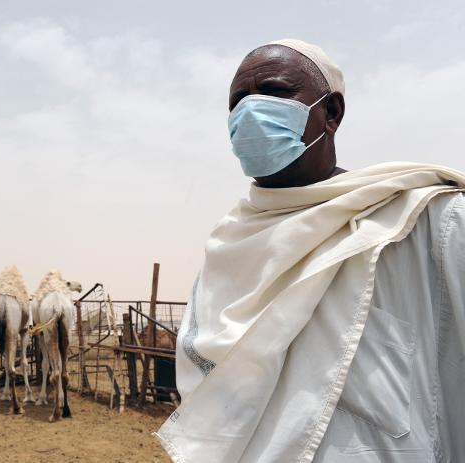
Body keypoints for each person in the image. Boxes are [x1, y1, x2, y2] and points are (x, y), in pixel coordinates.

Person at [155, 39, 465, 462]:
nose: (250, 110)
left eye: (275, 91)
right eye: (238, 101)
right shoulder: (227, 249)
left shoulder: (429, 224)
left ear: (332, 113)